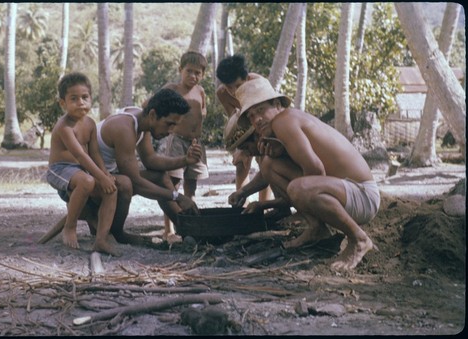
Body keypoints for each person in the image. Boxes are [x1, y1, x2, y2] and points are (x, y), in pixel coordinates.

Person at [233, 76, 380, 271]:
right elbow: (279, 172)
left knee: (299, 187)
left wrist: (278, 201)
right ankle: (317, 228)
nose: (256, 119)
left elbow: (315, 172)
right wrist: (246, 192)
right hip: (347, 193)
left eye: (260, 110)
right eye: (251, 116)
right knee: (269, 164)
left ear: (276, 104)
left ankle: (359, 239)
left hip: (363, 196)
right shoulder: (284, 122)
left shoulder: (284, 121)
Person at [94, 88, 201, 244]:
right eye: (169, 124)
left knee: (160, 176)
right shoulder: (124, 128)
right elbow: (135, 181)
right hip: (86, 182)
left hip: (107, 176)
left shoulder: (142, 121)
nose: (171, 131)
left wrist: (185, 160)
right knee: (126, 184)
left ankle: (187, 230)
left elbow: (150, 160)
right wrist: (177, 197)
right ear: (153, 115)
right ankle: (117, 233)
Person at [46, 72, 119, 256]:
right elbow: (80, 155)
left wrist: (105, 174)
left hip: (80, 170)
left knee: (112, 188)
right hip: (60, 169)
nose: (81, 102)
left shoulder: (90, 124)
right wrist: (100, 177)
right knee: (88, 181)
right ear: (63, 103)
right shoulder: (65, 127)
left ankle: (101, 238)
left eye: (85, 97)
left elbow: (94, 153)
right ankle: (70, 227)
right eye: (74, 98)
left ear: (91, 98)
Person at [159, 51, 209, 233]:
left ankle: (191, 222)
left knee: (192, 182)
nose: (193, 76)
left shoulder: (201, 91)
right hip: (177, 142)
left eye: (198, 73)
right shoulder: (172, 89)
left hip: (195, 143)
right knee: (173, 183)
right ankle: (169, 228)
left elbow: (202, 114)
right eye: (189, 71)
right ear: (180, 70)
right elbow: (153, 105)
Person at [216, 54, 272, 204]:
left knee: (265, 163)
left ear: (246, 78)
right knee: (241, 163)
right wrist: (238, 147)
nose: (234, 90)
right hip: (245, 129)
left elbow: (270, 113)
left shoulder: (258, 82)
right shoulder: (222, 93)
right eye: (229, 87)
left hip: (264, 127)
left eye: (238, 85)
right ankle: (241, 204)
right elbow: (233, 119)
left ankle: (264, 205)